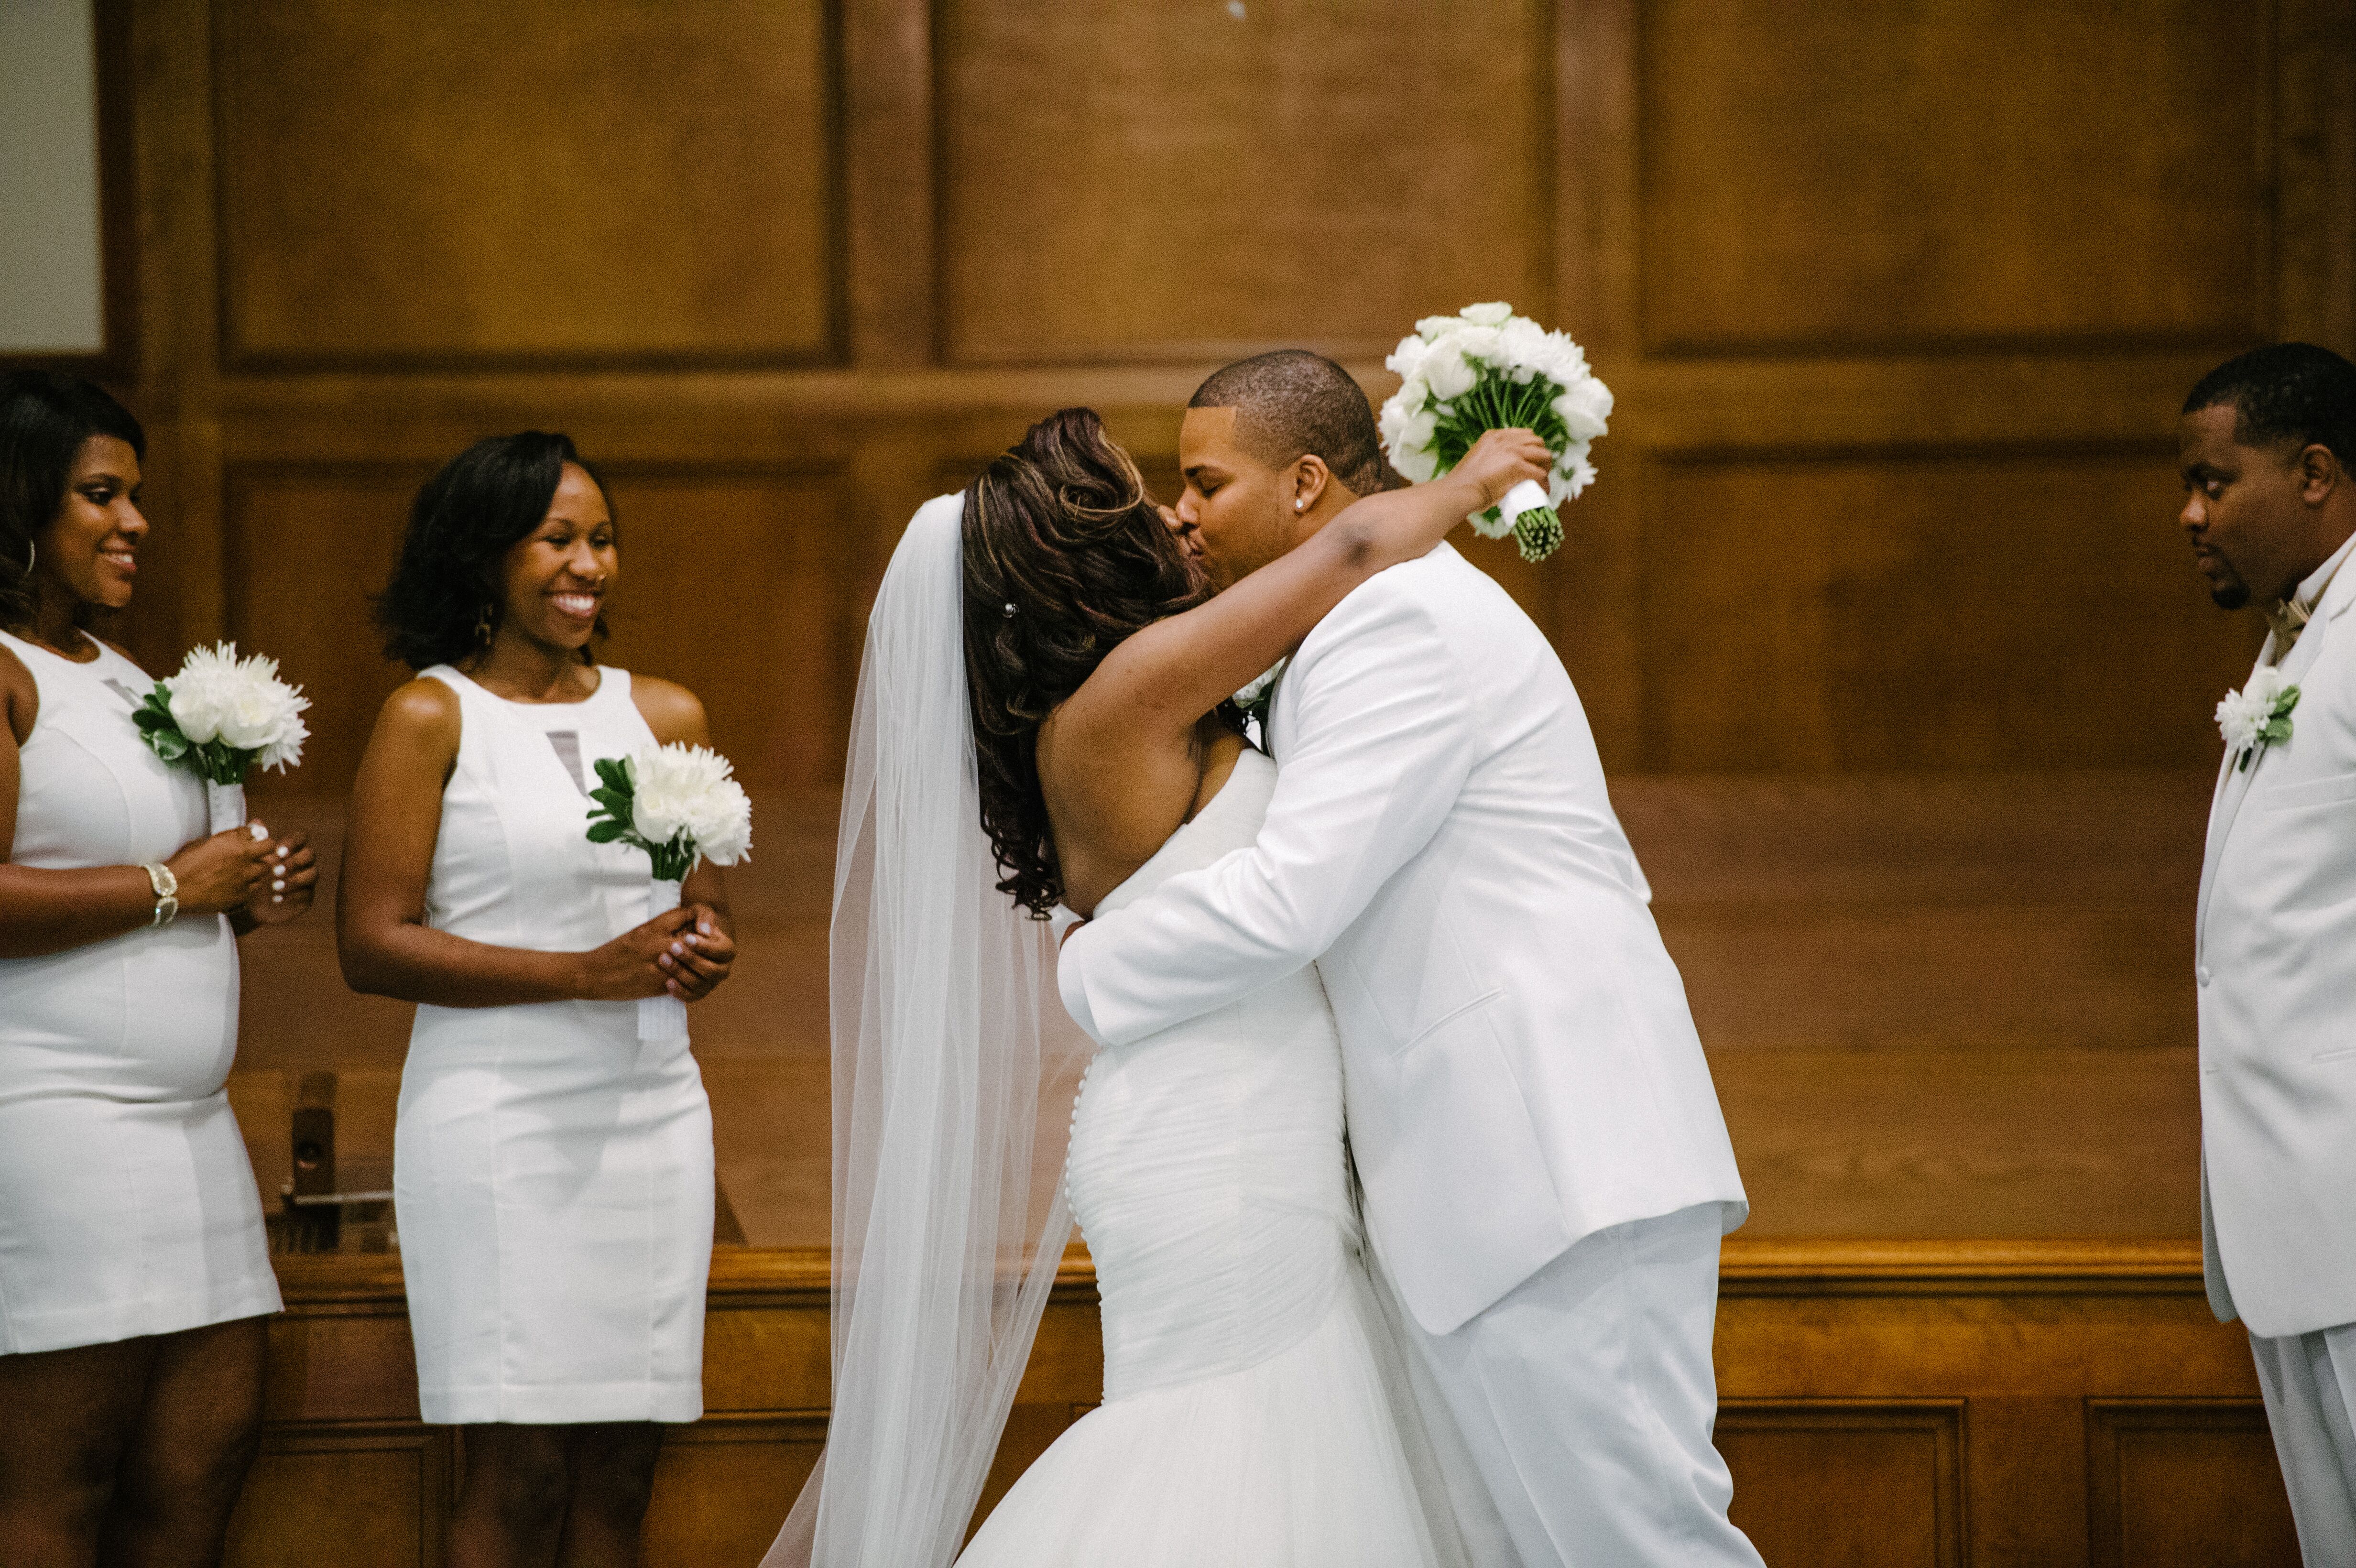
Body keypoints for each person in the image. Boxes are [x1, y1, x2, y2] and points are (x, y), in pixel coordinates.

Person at [763, 407, 1553, 1567]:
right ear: (1072, 555)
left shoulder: (1121, 702)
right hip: (1212, 1136)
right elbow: (1343, 552)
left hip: (1241, 1117)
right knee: (1228, 1450)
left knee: (1281, 1450)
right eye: (1134, 499)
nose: (1169, 514)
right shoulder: (1128, 694)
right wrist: (1477, 478)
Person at [1056, 351, 1761, 1568]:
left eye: (1203, 481)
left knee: (1640, 1545)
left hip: (1550, 1166)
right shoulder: (1365, 618)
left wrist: (1080, 972)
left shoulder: (1397, 620)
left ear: (1308, 484)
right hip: (1489, 1184)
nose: (1180, 512)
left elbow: (1293, 899)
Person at [337, 432, 738, 1568]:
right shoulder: (431, 718)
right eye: (557, 537)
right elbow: (371, 944)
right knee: (521, 1473)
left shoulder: (666, 711)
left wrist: (705, 944)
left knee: (623, 1468)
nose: (588, 563)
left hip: (652, 1112)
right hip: (502, 1121)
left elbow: (700, 899)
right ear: (482, 555)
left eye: (602, 538)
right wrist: (578, 973)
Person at [0, 370, 316, 1567]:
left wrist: (247, 886)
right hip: (53, 1123)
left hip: (192, 1130)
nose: (134, 521)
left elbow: (180, 872)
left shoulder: (134, 679)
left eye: (138, 496)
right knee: (58, 1476)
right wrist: (181, 886)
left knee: (199, 1459)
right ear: (17, 499)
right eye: (99, 494)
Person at [2177, 341, 2356, 1563]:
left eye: (2211, 480)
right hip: (2288, 1213)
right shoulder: (2297, 636)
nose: (2188, 513)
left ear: (2314, 473)